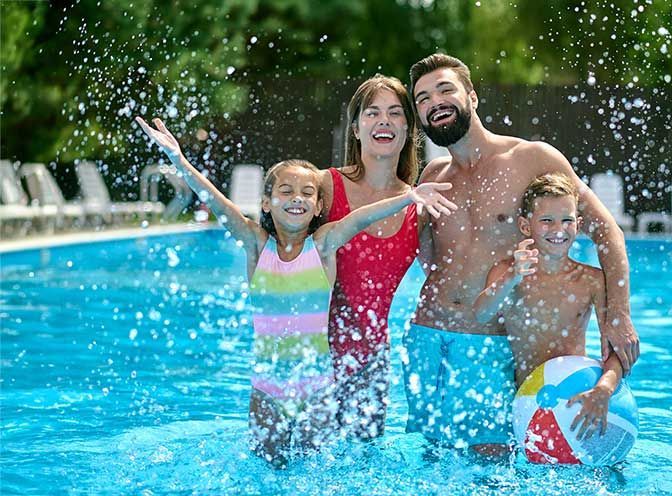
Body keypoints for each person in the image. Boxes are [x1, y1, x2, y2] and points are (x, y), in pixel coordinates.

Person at [135, 116, 456, 465]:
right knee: (269, 471)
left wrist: (409, 197)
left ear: (318, 206)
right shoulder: (257, 247)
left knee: (312, 473)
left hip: (317, 388)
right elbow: (219, 206)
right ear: (266, 203)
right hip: (266, 389)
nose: (296, 199)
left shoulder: (322, 245)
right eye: (285, 192)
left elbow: (361, 218)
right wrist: (180, 163)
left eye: (306, 193)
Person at [403, 53, 638, 455]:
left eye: (445, 90)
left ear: (472, 96)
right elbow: (429, 257)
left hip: (487, 341)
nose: (434, 102)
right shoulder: (432, 178)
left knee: (488, 466)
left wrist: (618, 311)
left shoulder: (531, 158)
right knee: (431, 460)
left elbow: (606, 230)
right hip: (426, 338)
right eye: (422, 98)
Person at [473, 173, 623, 441]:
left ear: (578, 224)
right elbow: (481, 313)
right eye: (546, 221)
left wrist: (604, 389)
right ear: (525, 225)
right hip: (522, 397)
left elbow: (614, 350)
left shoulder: (592, 280)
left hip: (575, 396)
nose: (558, 229)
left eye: (567, 220)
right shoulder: (506, 272)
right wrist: (512, 278)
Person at [318, 75, 427, 439]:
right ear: (356, 127)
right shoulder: (324, 187)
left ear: (409, 129)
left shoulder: (419, 206)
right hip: (312, 351)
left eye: (396, 113)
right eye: (373, 113)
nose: (384, 121)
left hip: (371, 362)